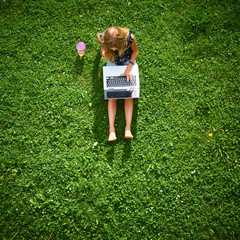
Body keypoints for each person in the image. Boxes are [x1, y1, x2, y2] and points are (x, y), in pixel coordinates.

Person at [97, 27, 138, 141]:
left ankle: (128, 128)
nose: (114, 49)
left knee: (128, 95)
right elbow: (99, 36)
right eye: (111, 48)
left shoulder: (129, 38)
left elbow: (135, 51)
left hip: (127, 63)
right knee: (112, 96)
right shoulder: (106, 39)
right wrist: (103, 49)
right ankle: (111, 130)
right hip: (113, 63)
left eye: (115, 47)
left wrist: (129, 67)